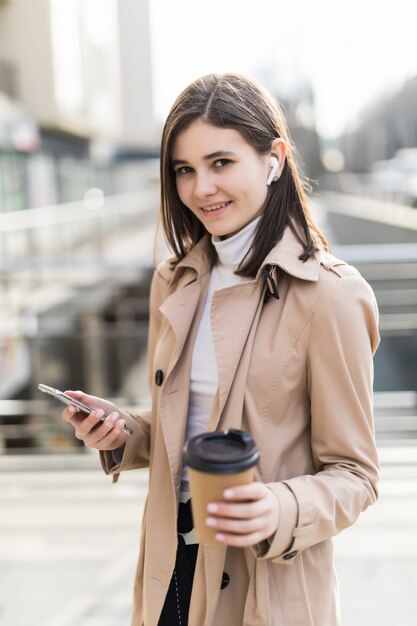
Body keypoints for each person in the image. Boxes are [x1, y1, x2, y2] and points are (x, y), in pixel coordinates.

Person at [62, 73, 380, 626]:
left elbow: (356, 475)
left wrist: (278, 507)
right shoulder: (175, 279)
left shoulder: (330, 295)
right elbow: (185, 426)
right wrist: (123, 432)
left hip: (266, 584)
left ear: (274, 159)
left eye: (220, 163)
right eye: (184, 170)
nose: (200, 188)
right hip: (170, 571)